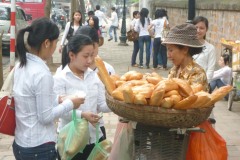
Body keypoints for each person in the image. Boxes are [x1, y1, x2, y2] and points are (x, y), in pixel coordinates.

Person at [12, 17, 85, 160]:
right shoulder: (42, 73)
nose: (56, 47)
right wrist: (70, 104)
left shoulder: (21, 64)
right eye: (55, 42)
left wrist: (59, 99)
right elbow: (45, 117)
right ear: (46, 43)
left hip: (21, 144)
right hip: (39, 147)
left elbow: (33, 97)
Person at [54, 34, 112, 160]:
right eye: (85, 56)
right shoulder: (60, 78)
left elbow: (101, 105)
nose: (90, 60)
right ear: (71, 55)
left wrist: (118, 103)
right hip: (72, 140)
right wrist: (82, 114)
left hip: (94, 137)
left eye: (92, 55)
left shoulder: (94, 76)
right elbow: (59, 111)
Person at [162, 23, 208, 90]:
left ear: (185, 49)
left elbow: (191, 98)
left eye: (171, 50)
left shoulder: (197, 74)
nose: (168, 55)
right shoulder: (174, 70)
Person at [192, 16, 217, 84]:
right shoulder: (186, 46)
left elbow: (210, 71)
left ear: (206, 29)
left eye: (202, 28)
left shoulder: (210, 48)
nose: (198, 30)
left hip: (202, 85)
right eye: (196, 27)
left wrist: (203, 84)